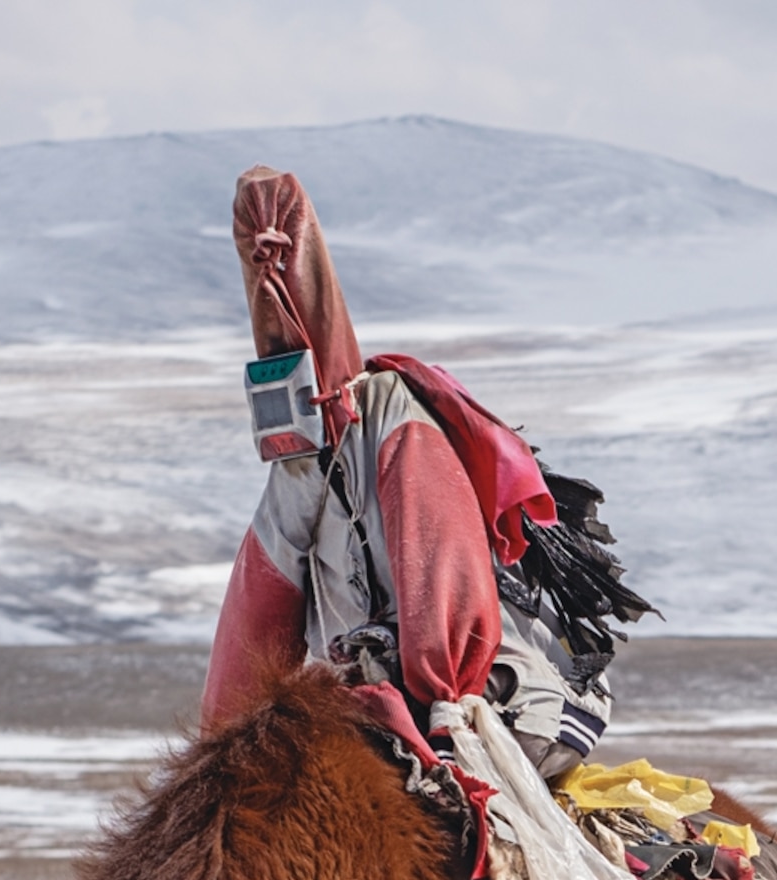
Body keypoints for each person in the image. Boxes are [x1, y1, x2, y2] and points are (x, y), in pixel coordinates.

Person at [198, 168, 648, 786]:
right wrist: (229, 742)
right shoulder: (301, 464)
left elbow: (440, 570)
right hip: (384, 702)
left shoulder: (392, 420)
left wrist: (440, 699)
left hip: (495, 705)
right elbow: (261, 604)